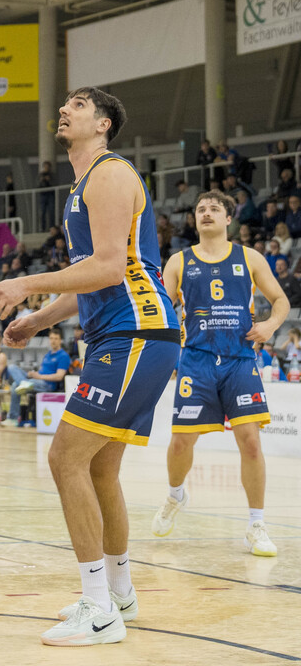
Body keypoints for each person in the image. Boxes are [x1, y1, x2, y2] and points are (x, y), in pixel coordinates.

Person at [0, 87, 180, 646]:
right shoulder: (82, 184)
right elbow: (93, 276)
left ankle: (98, 609)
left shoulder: (110, 173)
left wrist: (25, 283)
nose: (65, 109)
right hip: (125, 334)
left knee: (65, 457)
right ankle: (119, 593)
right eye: (65, 103)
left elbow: (111, 268)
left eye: (79, 105)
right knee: (98, 470)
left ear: (104, 123)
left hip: (135, 333)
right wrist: (39, 319)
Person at [152, 190, 289, 556]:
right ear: (195, 219)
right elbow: (163, 312)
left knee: (250, 442)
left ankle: (256, 524)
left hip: (239, 359)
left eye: (214, 208)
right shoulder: (179, 261)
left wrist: (270, 325)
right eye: (201, 209)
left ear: (229, 219)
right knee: (180, 443)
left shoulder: (250, 257)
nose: (206, 213)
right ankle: (176, 495)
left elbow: (281, 300)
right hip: (195, 360)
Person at [38, 161, 56, 231]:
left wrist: (49, 180)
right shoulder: (40, 175)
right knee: (42, 212)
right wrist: (41, 180)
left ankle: (52, 227)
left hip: (50, 194)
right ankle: (42, 228)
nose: (46, 168)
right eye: (45, 167)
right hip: (43, 195)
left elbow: (55, 184)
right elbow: (37, 185)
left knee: (51, 211)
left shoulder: (52, 175)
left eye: (47, 167)